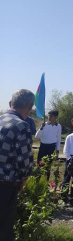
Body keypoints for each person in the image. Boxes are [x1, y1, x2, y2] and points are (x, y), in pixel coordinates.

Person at [0, 89, 35, 241]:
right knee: (4, 230)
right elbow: (24, 162)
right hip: (5, 186)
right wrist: (24, 179)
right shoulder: (21, 126)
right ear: (29, 107)